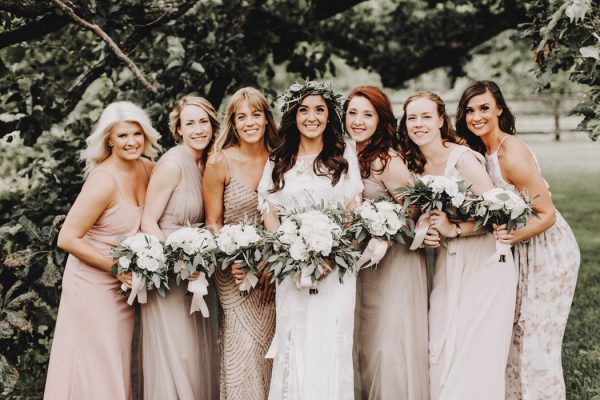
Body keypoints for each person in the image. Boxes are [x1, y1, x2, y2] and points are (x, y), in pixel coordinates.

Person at [455, 80, 580, 400]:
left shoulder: (511, 154)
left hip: (547, 250)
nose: (476, 116)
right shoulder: (479, 151)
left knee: (538, 345)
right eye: (470, 110)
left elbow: (547, 213)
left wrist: (510, 236)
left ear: (499, 110)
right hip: (516, 250)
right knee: (512, 339)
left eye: (484, 108)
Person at [399, 91, 516, 399]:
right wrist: (430, 231)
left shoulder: (462, 159)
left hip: (485, 261)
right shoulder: (415, 165)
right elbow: (423, 218)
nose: (419, 124)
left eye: (426, 116)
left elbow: (499, 214)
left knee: (474, 346)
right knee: (439, 338)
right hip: (447, 264)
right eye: (412, 117)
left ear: (441, 120)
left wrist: (454, 229)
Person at [44, 101, 160, 400]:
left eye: (137, 134)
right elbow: (68, 238)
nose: (131, 142)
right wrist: (118, 268)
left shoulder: (149, 168)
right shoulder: (103, 181)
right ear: (109, 139)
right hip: (92, 284)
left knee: (119, 359)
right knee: (100, 362)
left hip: (125, 283)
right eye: (122, 136)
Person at [258, 81, 363, 400]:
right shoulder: (279, 158)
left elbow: (351, 210)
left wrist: (331, 255)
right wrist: (289, 252)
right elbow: (270, 210)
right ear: (293, 115)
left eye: (320, 110)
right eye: (304, 110)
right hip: (291, 268)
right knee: (295, 340)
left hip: (335, 269)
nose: (312, 117)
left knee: (331, 340)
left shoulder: (344, 153)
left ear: (330, 114)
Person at [345, 86, 429, 400]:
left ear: (381, 120)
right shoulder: (349, 154)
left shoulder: (386, 160)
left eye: (368, 114)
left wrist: (384, 230)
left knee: (387, 340)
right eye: (353, 113)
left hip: (393, 261)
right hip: (363, 262)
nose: (358, 120)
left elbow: (414, 209)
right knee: (364, 337)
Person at [139, 95, 220, 400]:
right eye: (190, 123)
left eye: (203, 122)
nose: (198, 129)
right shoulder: (172, 164)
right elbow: (148, 221)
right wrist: (179, 263)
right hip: (170, 273)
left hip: (199, 270)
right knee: (179, 353)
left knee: (199, 353)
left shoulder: (208, 162)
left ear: (212, 125)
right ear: (179, 129)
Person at [202, 87, 279, 400]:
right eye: (241, 116)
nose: (250, 122)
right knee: (242, 351)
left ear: (265, 118)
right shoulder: (219, 162)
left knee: (273, 352)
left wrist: (273, 263)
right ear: (232, 123)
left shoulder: (281, 158)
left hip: (274, 271)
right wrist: (234, 258)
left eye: (256, 114)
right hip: (233, 274)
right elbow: (213, 224)